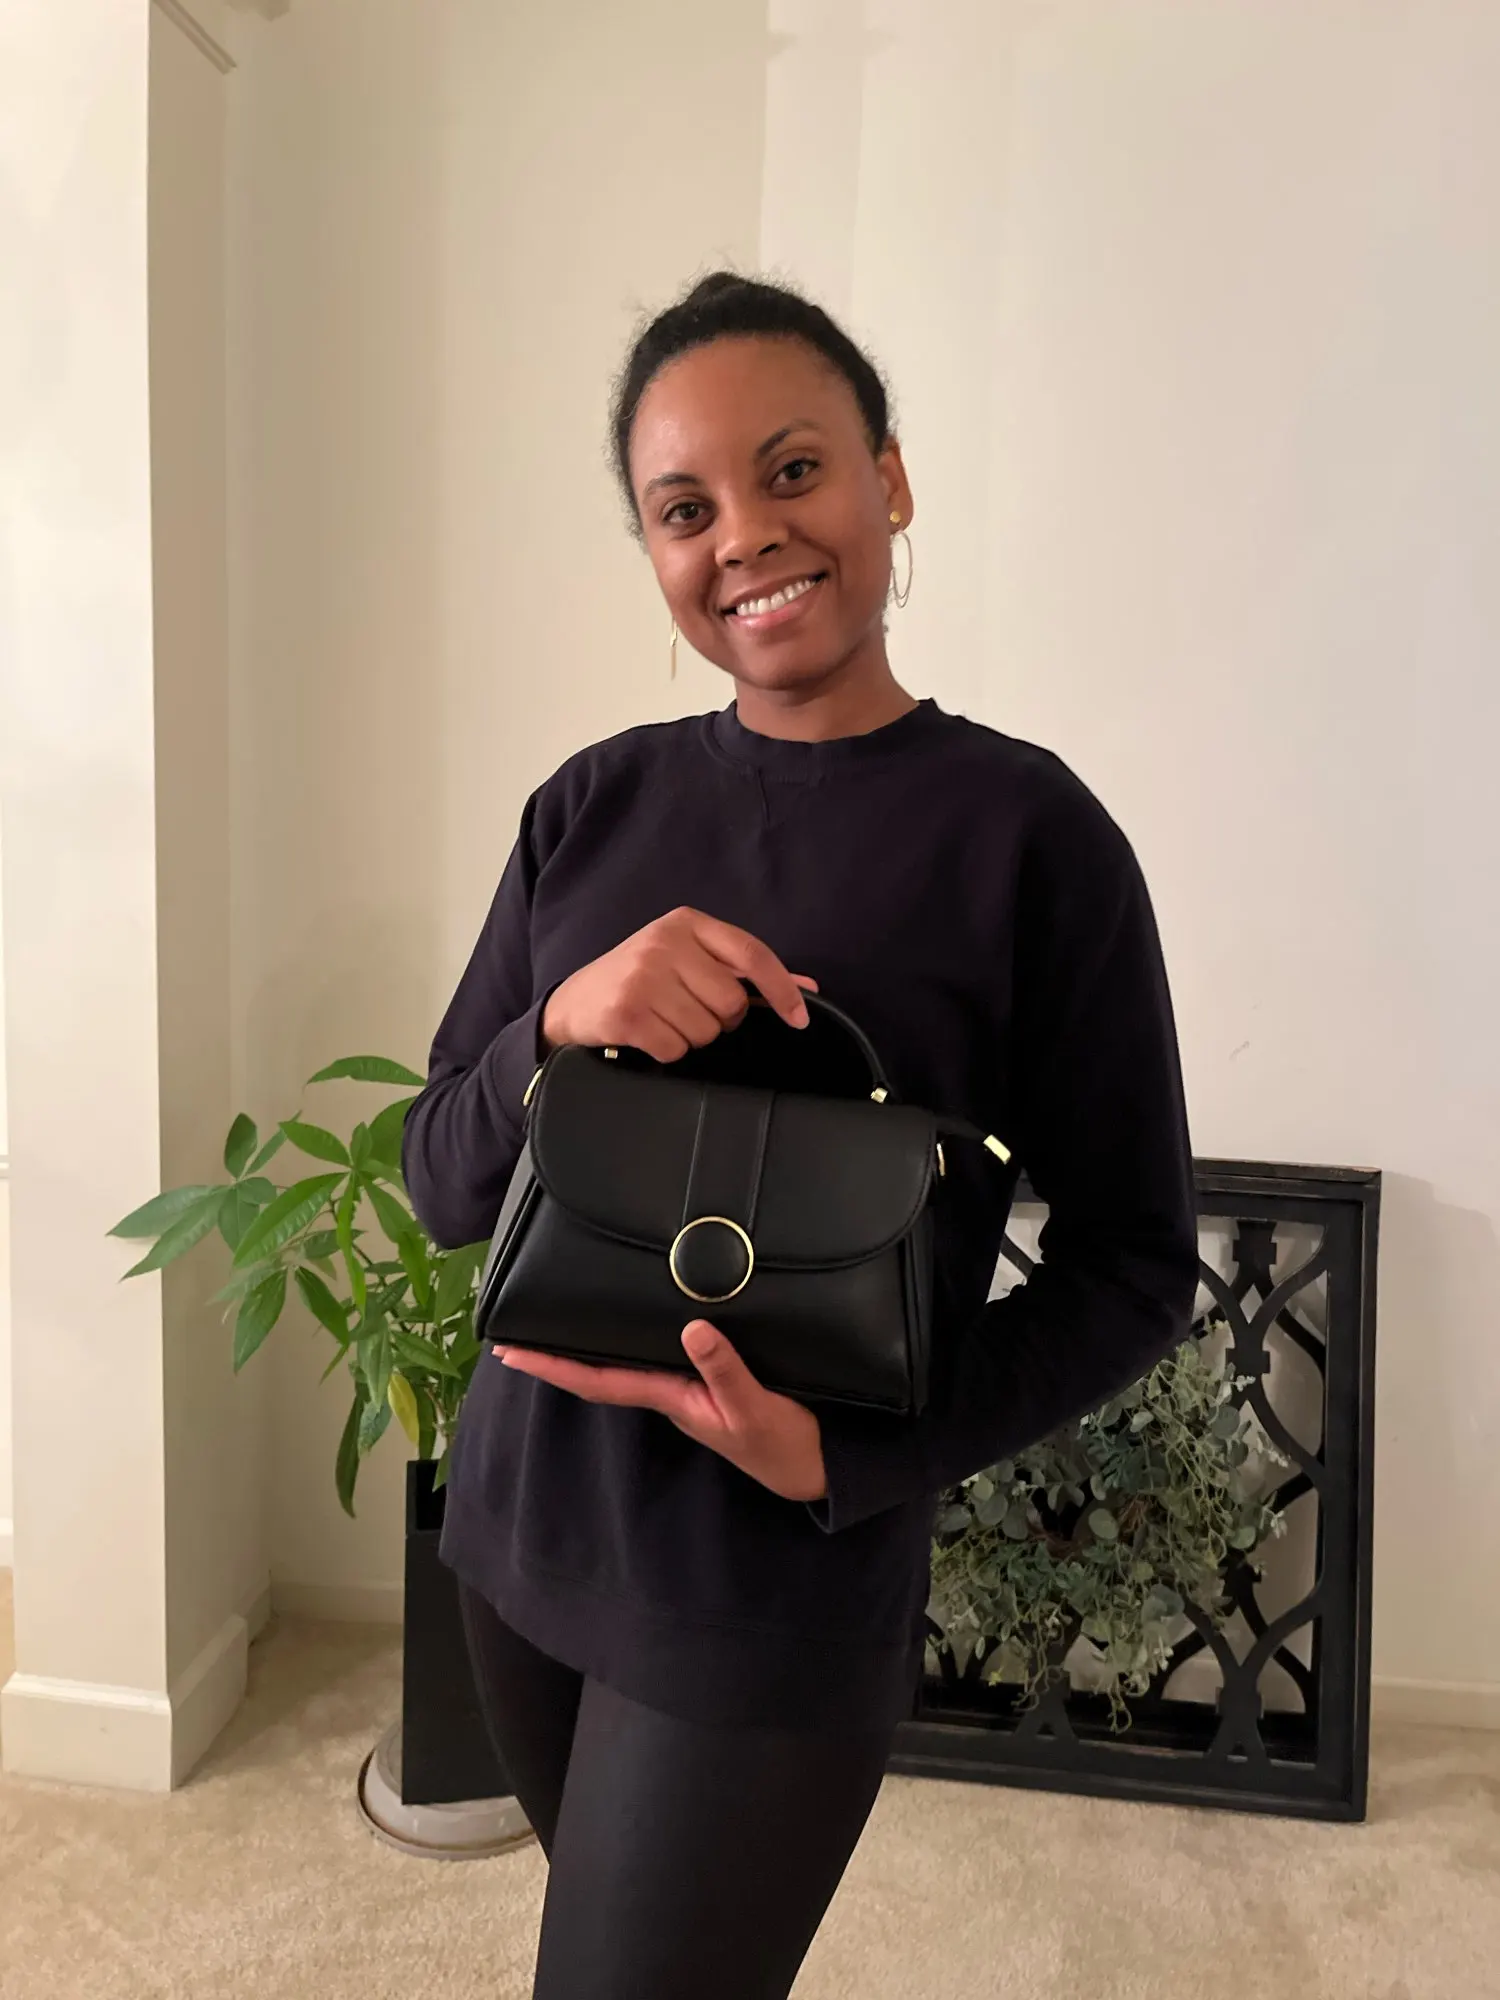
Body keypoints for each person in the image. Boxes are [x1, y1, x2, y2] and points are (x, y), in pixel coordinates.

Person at [402, 271, 1199, 1999]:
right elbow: (440, 1176)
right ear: (652, 549)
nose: (745, 536)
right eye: (684, 508)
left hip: (772, 1575)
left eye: (793, 470)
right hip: (521, 1528)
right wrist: (560, 1022)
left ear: (887, 482)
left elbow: (1137, 1269)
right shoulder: (590, 805)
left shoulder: (1032, 839)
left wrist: (846, 1459)